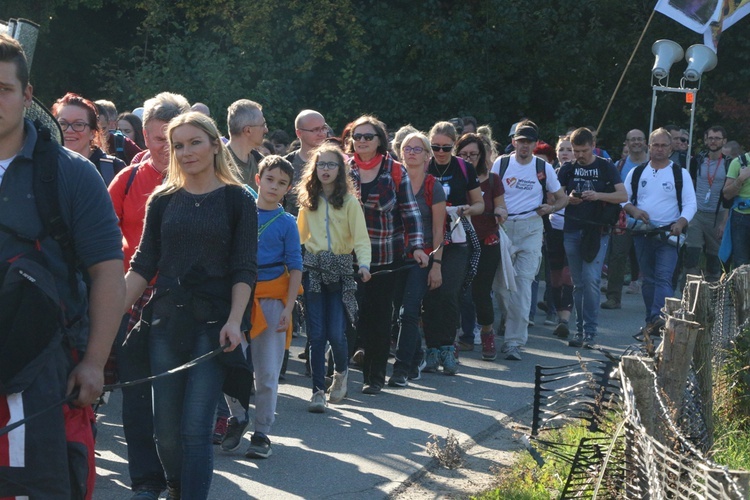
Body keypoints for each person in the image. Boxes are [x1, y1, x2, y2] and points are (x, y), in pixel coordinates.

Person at [0, 33, 125, 499]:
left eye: (4, 88)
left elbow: (107, 273)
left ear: (27, 95)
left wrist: (95, 361)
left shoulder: (71, 173)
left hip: (45, 373)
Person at [123, 111, 257, 499]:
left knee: (195, 428)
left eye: (194, 142)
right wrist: (109, 313)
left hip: (215, 325)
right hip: (166, 320)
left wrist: (236, 321)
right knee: (165, 428)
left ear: (215, 144)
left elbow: (244, 268)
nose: (185, 151)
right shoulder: (162, 199)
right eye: (177, 145)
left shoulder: (238, 200)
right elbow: (143, 264)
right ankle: (178, 487)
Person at [108, 91, 189, 499]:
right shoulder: (126, 179)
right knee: (136, 397)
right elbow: (103, 239)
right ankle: (145, 480)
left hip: (183, 304)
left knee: (173, 401)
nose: (162, 148)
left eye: (169, 138)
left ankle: (179, 475)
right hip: (131, 300)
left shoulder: (200, 179)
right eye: (154, 138)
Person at [219, 155, 302, 457]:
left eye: (281, 183)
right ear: (258, 180)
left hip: (271, 302)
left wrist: (288, 308)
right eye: (269, 179)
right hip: (237, 302)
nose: (274, 186)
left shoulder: (287, 223)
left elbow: (295, 267)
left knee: (266, 373)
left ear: (288, 189)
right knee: (231, 366)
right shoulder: (241, 214)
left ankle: (262, 432)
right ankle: (237, 416)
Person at [348, 115, 427, 394]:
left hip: (385, 256)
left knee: (379, 318)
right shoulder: (343, 169)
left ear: (379, 140)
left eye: (367, 136)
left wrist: (417, 246)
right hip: (349, 256)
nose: (361, 141)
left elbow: (410, 211)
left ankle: (374, 378)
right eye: (356, 137)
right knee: (348, 317)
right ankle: (338, 377)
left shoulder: (395, 170)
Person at [297, 143, 371, 407]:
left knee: (336, 333)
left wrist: (363, 265)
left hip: (341, 271)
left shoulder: (350, 202)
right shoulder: (307, 202)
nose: (325, 169)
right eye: (321, 164)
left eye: (331, 164)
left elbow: (361, 238)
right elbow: (300, 238)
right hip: (314, 270)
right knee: (315, 335)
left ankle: (341, 374)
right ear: (314, 168)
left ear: (341, 170)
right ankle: (318, 391)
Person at [491, 122, 567, 361]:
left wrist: (550, 207)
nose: (524, 145)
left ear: (535, 144)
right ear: (514, 142)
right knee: (502, 288)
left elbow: (563, 198)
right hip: (503, 228)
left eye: (529, 142)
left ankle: (514, 342)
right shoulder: (501, 163)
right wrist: (497, 210)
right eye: (521, 141)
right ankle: (509, 318)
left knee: (523, 287)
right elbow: (491, 193)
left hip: (531, 229)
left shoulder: (543, 167)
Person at [623, 128, 697, 336]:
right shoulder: (637, 172)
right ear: (649, 146)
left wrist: (681, 223)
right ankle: (651, 321)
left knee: (664, 277)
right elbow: (623, 198)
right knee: (648, 279)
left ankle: (660, 319)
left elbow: (691, 204)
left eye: (664, 145)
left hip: (669, 235)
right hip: (643, 233)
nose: (659, 149)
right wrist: (634, 210)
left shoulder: (680, 173)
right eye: (656, 145)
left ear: (671, 148)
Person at [557, 128, 627, 348]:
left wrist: (598, 196)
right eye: (576, 151)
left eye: (584, 150)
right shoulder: (567, 169)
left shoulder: (606, 166)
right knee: (578, 284)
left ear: (593, 145)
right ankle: (579, 332)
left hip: (597, 232)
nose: (579, 155)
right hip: (572, 229)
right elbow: (556, 198)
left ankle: (591, 332)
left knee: (592, 280)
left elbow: (623, 196)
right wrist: (569, 199)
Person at [423, 122, 484, 374]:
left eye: (445, 147)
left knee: (449, 293)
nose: (439, 152)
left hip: (457, 236)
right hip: (427, 236)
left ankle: (448, 348)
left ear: (453, 146)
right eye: (435, 147)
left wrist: (468, 209)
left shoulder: (463, 167)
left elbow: (479, 203)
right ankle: (431, 349)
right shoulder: (423, 165)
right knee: (429, 294)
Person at [388, 132, 446, 386]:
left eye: (417, 149)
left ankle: (400, 370)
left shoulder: (434, 186)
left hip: (422, 258)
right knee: (395, 311)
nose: (411, 152)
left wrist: (437, 265)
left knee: (409, 311)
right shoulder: (391, 180)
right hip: (393, 256)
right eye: (407, 148)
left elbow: (438, 230)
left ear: (427, 156)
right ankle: (417, 355)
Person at [456, 133, 506, 360]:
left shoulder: (493, 179)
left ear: (481, 155)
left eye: (473, 154)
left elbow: (502, 207)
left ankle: (487, 334)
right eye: (463, 154)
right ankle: (463, 337)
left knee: (480, 291)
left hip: (486, 241)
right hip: (458, 240)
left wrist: (500, 212)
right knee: (457, 291)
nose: (468, 159)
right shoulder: (453, 177)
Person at [602, 129, 648, 309]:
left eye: (639, 139)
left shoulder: (655, 165)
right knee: (617, 257)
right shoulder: (618, 166)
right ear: (626, 143)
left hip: (648, 219)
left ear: (645, 142)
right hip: (622, 219)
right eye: (632, 139)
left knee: (648, 258)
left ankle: (654, 300)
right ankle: (613, 297)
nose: (636, 142)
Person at [52, 92, 126, 186]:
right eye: (62, 123)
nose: (69, 130)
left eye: (79, 124)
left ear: (93, 133)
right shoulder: (43, 166)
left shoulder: (114, 169)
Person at [685, 126, 729, 282]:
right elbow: (689, 184)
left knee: (713, 258)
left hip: (717, 215)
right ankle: (689, 294)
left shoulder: (728, 163)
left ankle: (711, 296)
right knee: (692, 253)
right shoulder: (698, 160)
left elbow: (729, 196)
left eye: (717, 138)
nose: (713, 141)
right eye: (710, 138)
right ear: (705, 140)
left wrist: (724, 222)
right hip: (696, 213)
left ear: (724, 141)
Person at [547, 137, 575, 338]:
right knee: (555, 277)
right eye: (562, 149)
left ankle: (565, 319)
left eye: (569, 149)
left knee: (567, 275)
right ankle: (557, 313)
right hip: (554, 227)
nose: (565, 153)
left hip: (574, 228)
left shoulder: (579, 174)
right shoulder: (550, 174)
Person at [284, 109, 330, 216]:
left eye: (323, 128)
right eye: (315, 130)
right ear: (299, 133)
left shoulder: (337, 163)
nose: (321, 134)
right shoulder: (286, 164)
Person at [719, 142, 750, 267]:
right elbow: (726, 194)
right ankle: (741, 287)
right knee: (741, 264)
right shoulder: (739, 162)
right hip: (741, 217)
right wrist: (741, 178)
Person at [226, 99, 267, 192]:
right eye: (263, 125)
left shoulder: (259, 161)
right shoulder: (217, 163)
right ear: (248, 130)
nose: (266, 130)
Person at [95, 98, 142, 164]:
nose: (99, 134)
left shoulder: (123, 143)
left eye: (103, 129)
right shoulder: (78, 143)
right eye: (95, 129)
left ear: (109, 124)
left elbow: (146, 163)